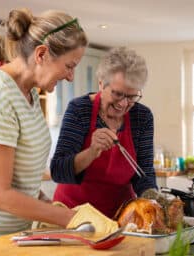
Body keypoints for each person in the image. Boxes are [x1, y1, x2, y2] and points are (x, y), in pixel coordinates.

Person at [0, 8, 118, 239]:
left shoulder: (30, 93)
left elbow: (21, 181)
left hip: (14, 236)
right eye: (69, 66)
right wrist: (72, 220)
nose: (71, 77)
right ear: (41, 54)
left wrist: (51, 205)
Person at [51, 46, 158, 218]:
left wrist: (153, 201)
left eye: (131, 97)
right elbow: (58, 171)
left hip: (121, 217)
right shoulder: (79, 110)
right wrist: (92, 151)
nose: (123, 104)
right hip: (73, 216)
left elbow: (143, 173)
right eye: (117, 94)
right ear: (101, 83)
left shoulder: (142, 117)